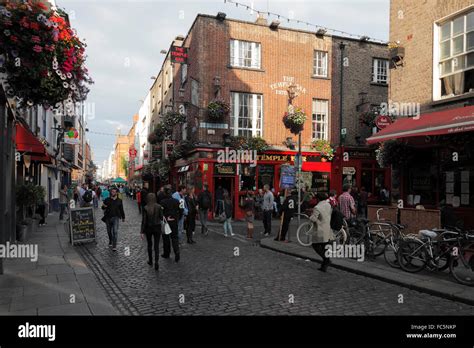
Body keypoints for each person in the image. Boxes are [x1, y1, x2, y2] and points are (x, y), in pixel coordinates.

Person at [309, 192, 335, 272]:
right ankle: (324, 266)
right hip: (327, 227)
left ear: (318, 199)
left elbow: (313, 218)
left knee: (315, 245)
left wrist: (310, 216)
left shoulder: (317, 207)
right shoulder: (328, 205)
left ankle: (326, 260)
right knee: (324, 246)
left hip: (320, 229)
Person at [141, 193, 163, 271]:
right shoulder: (159, 206)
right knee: (156, 245)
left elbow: (144, 221)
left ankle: (150, 261)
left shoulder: (145, 207)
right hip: (157, 227)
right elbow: (161, 217)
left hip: (148, 228)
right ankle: (156, 262)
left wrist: (142, 231)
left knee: (149, 244)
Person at [160, 187, 181, 262]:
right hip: (174, 221)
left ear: (165, 193)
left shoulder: (162, 202)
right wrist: (178, 218)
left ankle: (167, 253)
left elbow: (161, 213)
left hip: (166, 222)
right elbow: (181, 210)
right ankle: (177, 251)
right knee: (175, 237)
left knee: (166, 238)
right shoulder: (176, 201)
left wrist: (165, 218)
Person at [102, 187, 125, 252]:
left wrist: (123, 217)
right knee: (109, 231)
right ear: (110, 192)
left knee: (115, 231)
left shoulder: (119, 200)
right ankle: (110, 240)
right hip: (108, 217)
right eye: (112, 192)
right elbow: (103, 207)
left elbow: (121, 209)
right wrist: (104, 206)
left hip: (116, 217)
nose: (113, 193)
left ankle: (114, 246)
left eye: (114, 192)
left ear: (117, 193)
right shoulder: (107, 199)